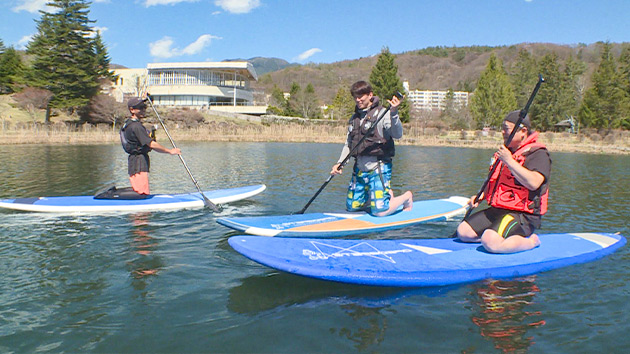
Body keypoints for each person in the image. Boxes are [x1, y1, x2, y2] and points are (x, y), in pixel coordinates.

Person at [456, 110, 551, 253]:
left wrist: (509, 161)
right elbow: (496, 181)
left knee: (490, 241)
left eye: (506, 129)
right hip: (499, 210)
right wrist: (481, 196)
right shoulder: (507, 152)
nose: (502, 132)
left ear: (523, 131)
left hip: (522, 215)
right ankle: (498, 236)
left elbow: (533, 183)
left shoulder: (538, 154)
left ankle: (531, 242)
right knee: (463, 232)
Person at [330, 80, 413, 217]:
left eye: (361, 96)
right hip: (360, 169)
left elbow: (397, 135)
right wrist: (340, 163)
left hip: (378, 167)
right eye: (355, 97)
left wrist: (394, 112)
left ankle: (406, 197)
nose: (358, 100)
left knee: (380, 212)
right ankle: (384, 195)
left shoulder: (382, 113)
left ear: (370, 95)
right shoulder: (354, 118)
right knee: (352, 207)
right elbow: (349, 144)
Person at [120, 97, 181, 196]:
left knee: (139, 192)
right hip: (138, 162)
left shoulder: (128, 123)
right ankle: (142, 210)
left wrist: (146, 97)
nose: (143, 110)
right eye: (140, 107)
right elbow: (151, 144)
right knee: (142, 193)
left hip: (134, 161)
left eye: (144, 107)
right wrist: (170, 151)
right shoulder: (136, 127)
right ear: (132, 110)